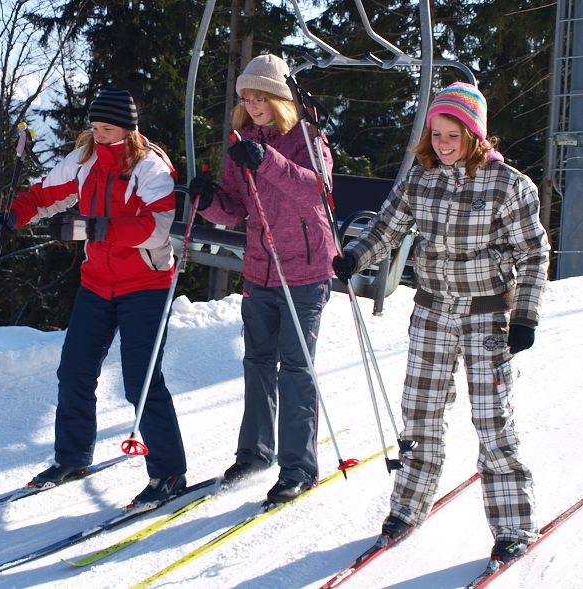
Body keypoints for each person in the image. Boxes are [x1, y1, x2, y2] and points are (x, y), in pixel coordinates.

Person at [332, 82, 549, 564]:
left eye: (454, 135)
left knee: (492, 420)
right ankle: (407, 507)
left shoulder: (509, 185)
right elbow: (386, 227)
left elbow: (533, 254)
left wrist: (524, 316)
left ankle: (513, 525)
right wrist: (355, 256)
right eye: (437, 134)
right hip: (432, 311)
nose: (444, 144)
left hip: (486, 315)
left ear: (475, 135)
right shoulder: (421, 180)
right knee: (420, 413)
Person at [0, 87, 187, 507]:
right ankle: (72, 457)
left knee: (141, 381)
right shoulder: (85, 160)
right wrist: (13, 216)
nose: (99, 136)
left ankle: (169, 471)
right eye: (95, 127)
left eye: (107, 129)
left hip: (146, 284)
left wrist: (103, 229)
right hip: (97, 282)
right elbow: (43, 195)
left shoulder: (150, 167)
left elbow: (158, 228)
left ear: (128, 128)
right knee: (74, 371)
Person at [188, 54, 338, 504]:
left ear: (280, 98)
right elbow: (235, 208)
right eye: (247, 99)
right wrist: (208, 201)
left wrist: (267, 160)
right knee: (257, 363)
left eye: (261, 98)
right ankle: (255, 453)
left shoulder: (308, 138)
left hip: (305, 270)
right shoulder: (243, 141)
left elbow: (317, 192)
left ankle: (298, 467)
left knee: (295, 368)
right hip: (260, 268)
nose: (253, 107)